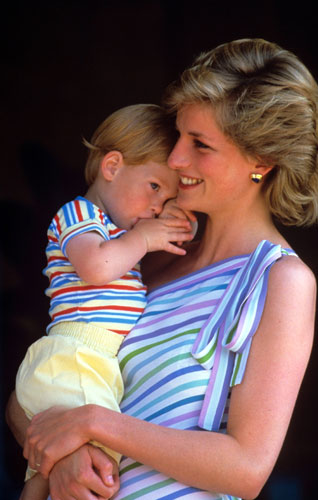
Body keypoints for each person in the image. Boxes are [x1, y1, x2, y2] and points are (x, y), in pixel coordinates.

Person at [7, 38, 318, 500]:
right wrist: (63, 456)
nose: (176, 159)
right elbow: (28, 396)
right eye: (179, 135)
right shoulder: (143, 257)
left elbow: (246, 468)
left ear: (260, 163)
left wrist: (95, 424)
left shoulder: (279, 281)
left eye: (200, 144)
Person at [13, 103, 195, 500]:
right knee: (101, 471)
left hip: (89, 364)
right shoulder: (78, 214)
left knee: (44, 469)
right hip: (74, 356)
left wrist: (177, 219)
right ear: (111, 166)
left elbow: (178, 228)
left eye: (166, 199)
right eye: (154, 187)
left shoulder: (118, 234)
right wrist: (145, 238)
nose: (156, 208)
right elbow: (95, 266)